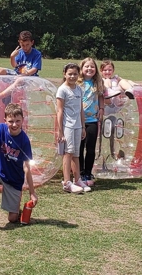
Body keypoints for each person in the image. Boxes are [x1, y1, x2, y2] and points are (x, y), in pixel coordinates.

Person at [56, 63, 91, 194]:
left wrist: (82, 127)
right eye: (70, 74)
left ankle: (77, 180)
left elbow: (81, 109)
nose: (72, 76)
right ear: (64, 74)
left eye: (75, 74)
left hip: (77, 126)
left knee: (76, 154)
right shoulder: (62, 90)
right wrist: (60, 131)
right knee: (68, 153)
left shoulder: (79, 89)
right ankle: (66, 182)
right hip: (67, 126)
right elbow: (59, 111)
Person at [0, 31, 42, 104]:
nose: (25, 47)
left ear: (32, 43)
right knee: (0, 70)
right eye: (23, 45)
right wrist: (12, 57)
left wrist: (24, 75)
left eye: (27, 45)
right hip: (17, 74)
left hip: (30, 78)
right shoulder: (19, 52)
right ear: (19, 43)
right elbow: (15, 65)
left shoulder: (37, 54)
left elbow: (34, 69)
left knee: (20, 79)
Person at [78, 57, 104, 187]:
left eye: (92, 66)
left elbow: (101, 96)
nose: (89, 69)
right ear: (81, 69)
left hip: (92, 120)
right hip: (78, 120)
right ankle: (80, 172)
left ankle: (88, 172)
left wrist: (101, 109)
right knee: (79, 147)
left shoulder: (97, 82)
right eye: (86, 66)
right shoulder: (77, 83)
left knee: (90, 148)